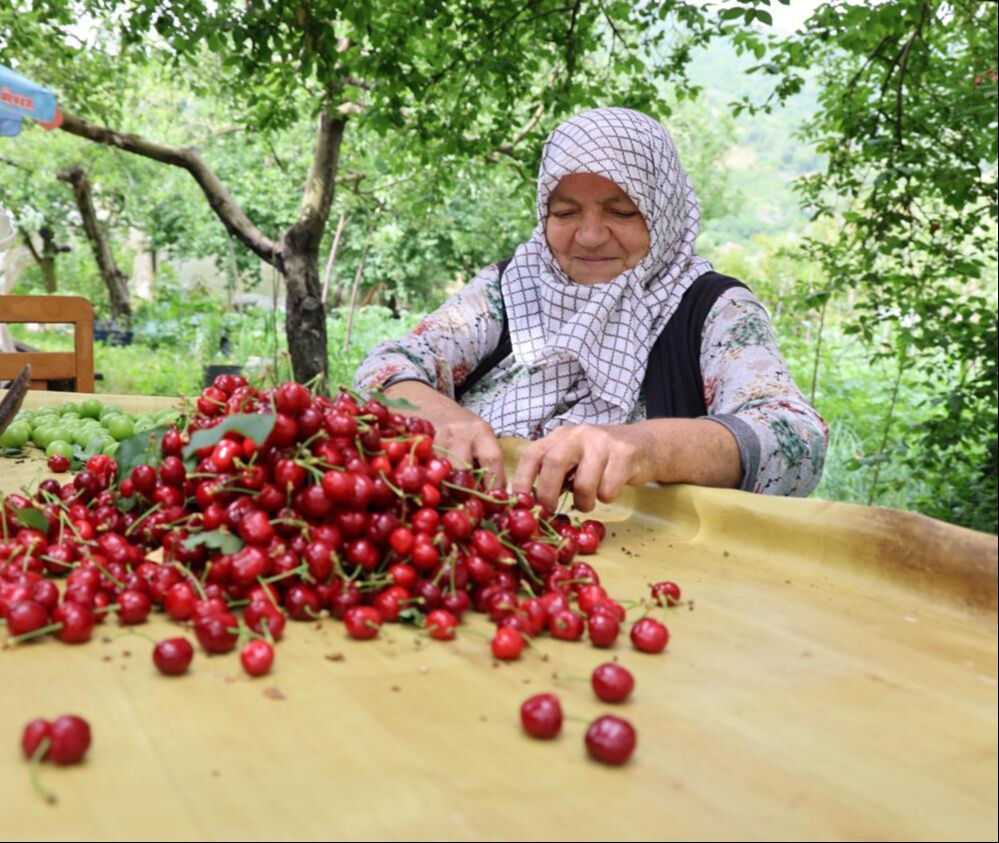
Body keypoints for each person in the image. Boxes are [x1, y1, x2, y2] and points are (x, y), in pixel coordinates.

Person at [354, 107, 827, 512]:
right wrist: (440, 413)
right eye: (564, 213)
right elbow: (388, 365)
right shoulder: (509, 287)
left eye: (622, 212)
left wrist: (645, 446)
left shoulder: (713, 310)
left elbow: (795, 441)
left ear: (663, 211)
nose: (590, 235)